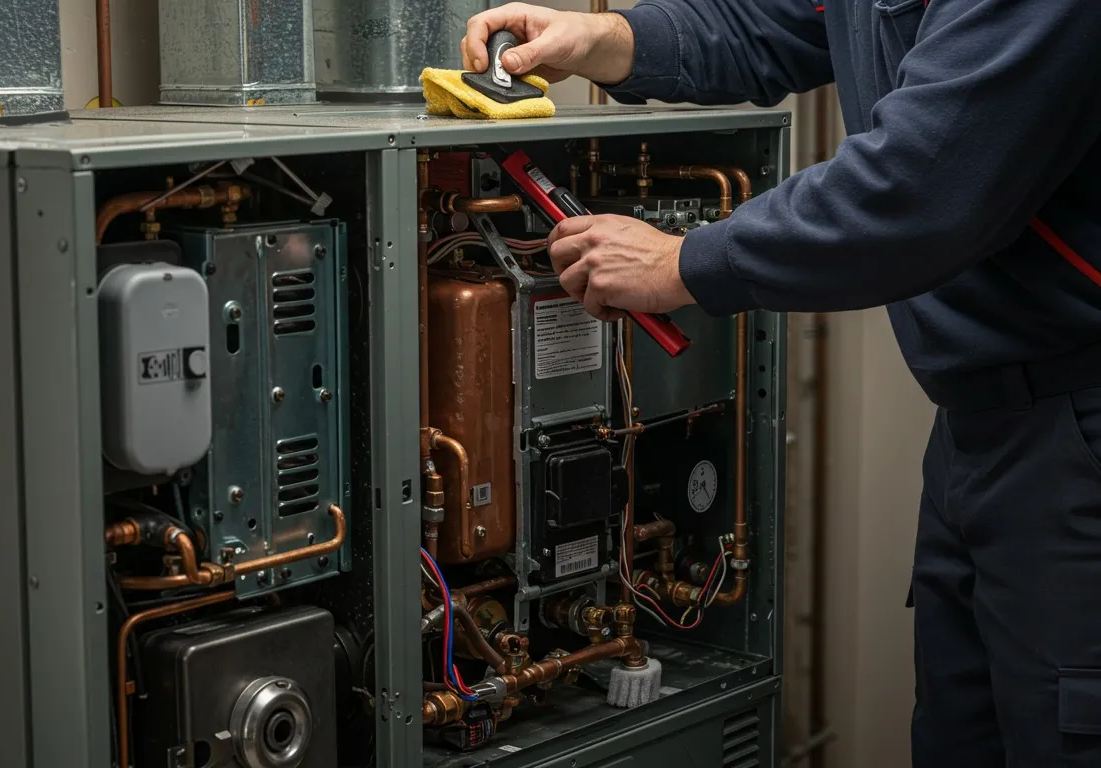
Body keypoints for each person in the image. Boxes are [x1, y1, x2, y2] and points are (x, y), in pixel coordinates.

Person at [462, 2, 1101, 765]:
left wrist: (680, 264)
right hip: (982, 427)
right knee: (965, 734)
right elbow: (774, 23)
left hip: (1076, 429)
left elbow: (920, 184)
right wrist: (610, 38)